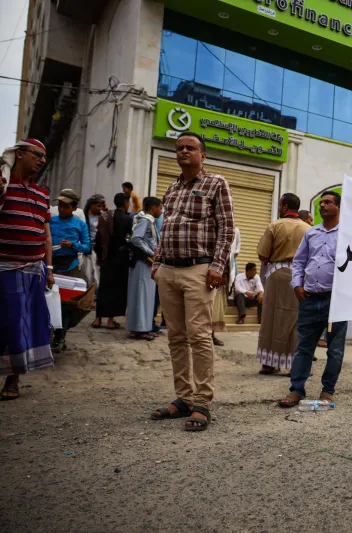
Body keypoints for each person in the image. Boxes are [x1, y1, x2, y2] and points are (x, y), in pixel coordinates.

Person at [150, 132, 235, 432]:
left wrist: (218, 266)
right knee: (175, 336)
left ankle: (202, 403)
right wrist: (158, 262)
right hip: (169, 271)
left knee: (199, 337)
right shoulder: (171, 189)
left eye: (191, 148)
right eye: (179, 148)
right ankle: (183, 398)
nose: (184, 151)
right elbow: (166, 229)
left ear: (203, 155)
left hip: (198, 270)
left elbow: (227, 229)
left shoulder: (216, 184)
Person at [278, 191, 346, 407]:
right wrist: (296, 285)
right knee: (304, 348)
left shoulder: (347, 234)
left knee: (334, 350)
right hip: (309, 299)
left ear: (338, 207)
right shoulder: (311, 233)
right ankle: (296, 390)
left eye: (328, 202)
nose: (322, 205)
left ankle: (328, 390)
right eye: (321, 202)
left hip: (335, 303)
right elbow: (299, 262)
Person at [0, 139, 54, 400]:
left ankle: (13, 379)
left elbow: (46, 236)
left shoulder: (42, 194)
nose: (42, 160)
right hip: (5, 269)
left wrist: (50, 268)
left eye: (44, 157)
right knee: (6, 324)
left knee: (20, 326)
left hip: (33, 270)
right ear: (19, 155)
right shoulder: (3, 186)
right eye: (37, 155)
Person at [256, 193, 309, 375]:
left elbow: (262, 255)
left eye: (280, 204)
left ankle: (269, 363)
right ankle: (296, 364)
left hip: (277, 275)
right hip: (300, 276)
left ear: (285, 207)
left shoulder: (275, 225)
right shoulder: (307, 228)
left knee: (271, 318)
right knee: (296, 319)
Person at [49, 189, 91, 352]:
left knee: (66, 305)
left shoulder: (80, 225)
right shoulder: (51, 222)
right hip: (52, 266)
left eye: (66, 206)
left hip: (70, 268)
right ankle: (48, 335)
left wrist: (73, 245)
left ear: (74, 208)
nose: (61, 209)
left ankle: (61, 336)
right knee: (49, 302)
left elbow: (87, 247)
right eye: (59, 205)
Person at [92, 192, 132, 329]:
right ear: (126, 203)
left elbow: (98, 239)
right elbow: (130, 239)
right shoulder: (128, 219)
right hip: (120, 258)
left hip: (106, 257)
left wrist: (100, 254)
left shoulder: (105, 216)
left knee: (103, 287)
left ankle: (97, 319)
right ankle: (110, 321)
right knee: (116, 289)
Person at [125, 197, 162, 341]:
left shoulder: (148, 220)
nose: (161, 211)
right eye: (160, 208)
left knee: (145, 296)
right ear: (153, 208)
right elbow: (136, 239)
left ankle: (141, 328)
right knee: (143, 295)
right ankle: (140, 329)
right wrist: (151, 252)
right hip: (143, 263)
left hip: (147, 263)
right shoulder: (146, 220)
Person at [80, 194, 105, 287]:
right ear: (91, 204)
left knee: (97, 276)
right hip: (87, 249)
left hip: (98, 249)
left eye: (101, 206)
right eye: (98, 206)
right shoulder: (84, 216)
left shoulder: (102, 217)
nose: (100, 208)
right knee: (86, 274)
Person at [228, 226, 240, 294]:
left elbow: (238, 244)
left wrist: (235, 253)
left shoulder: (236, 230)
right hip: (223, 258)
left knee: (234, 277)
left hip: (232, 258)